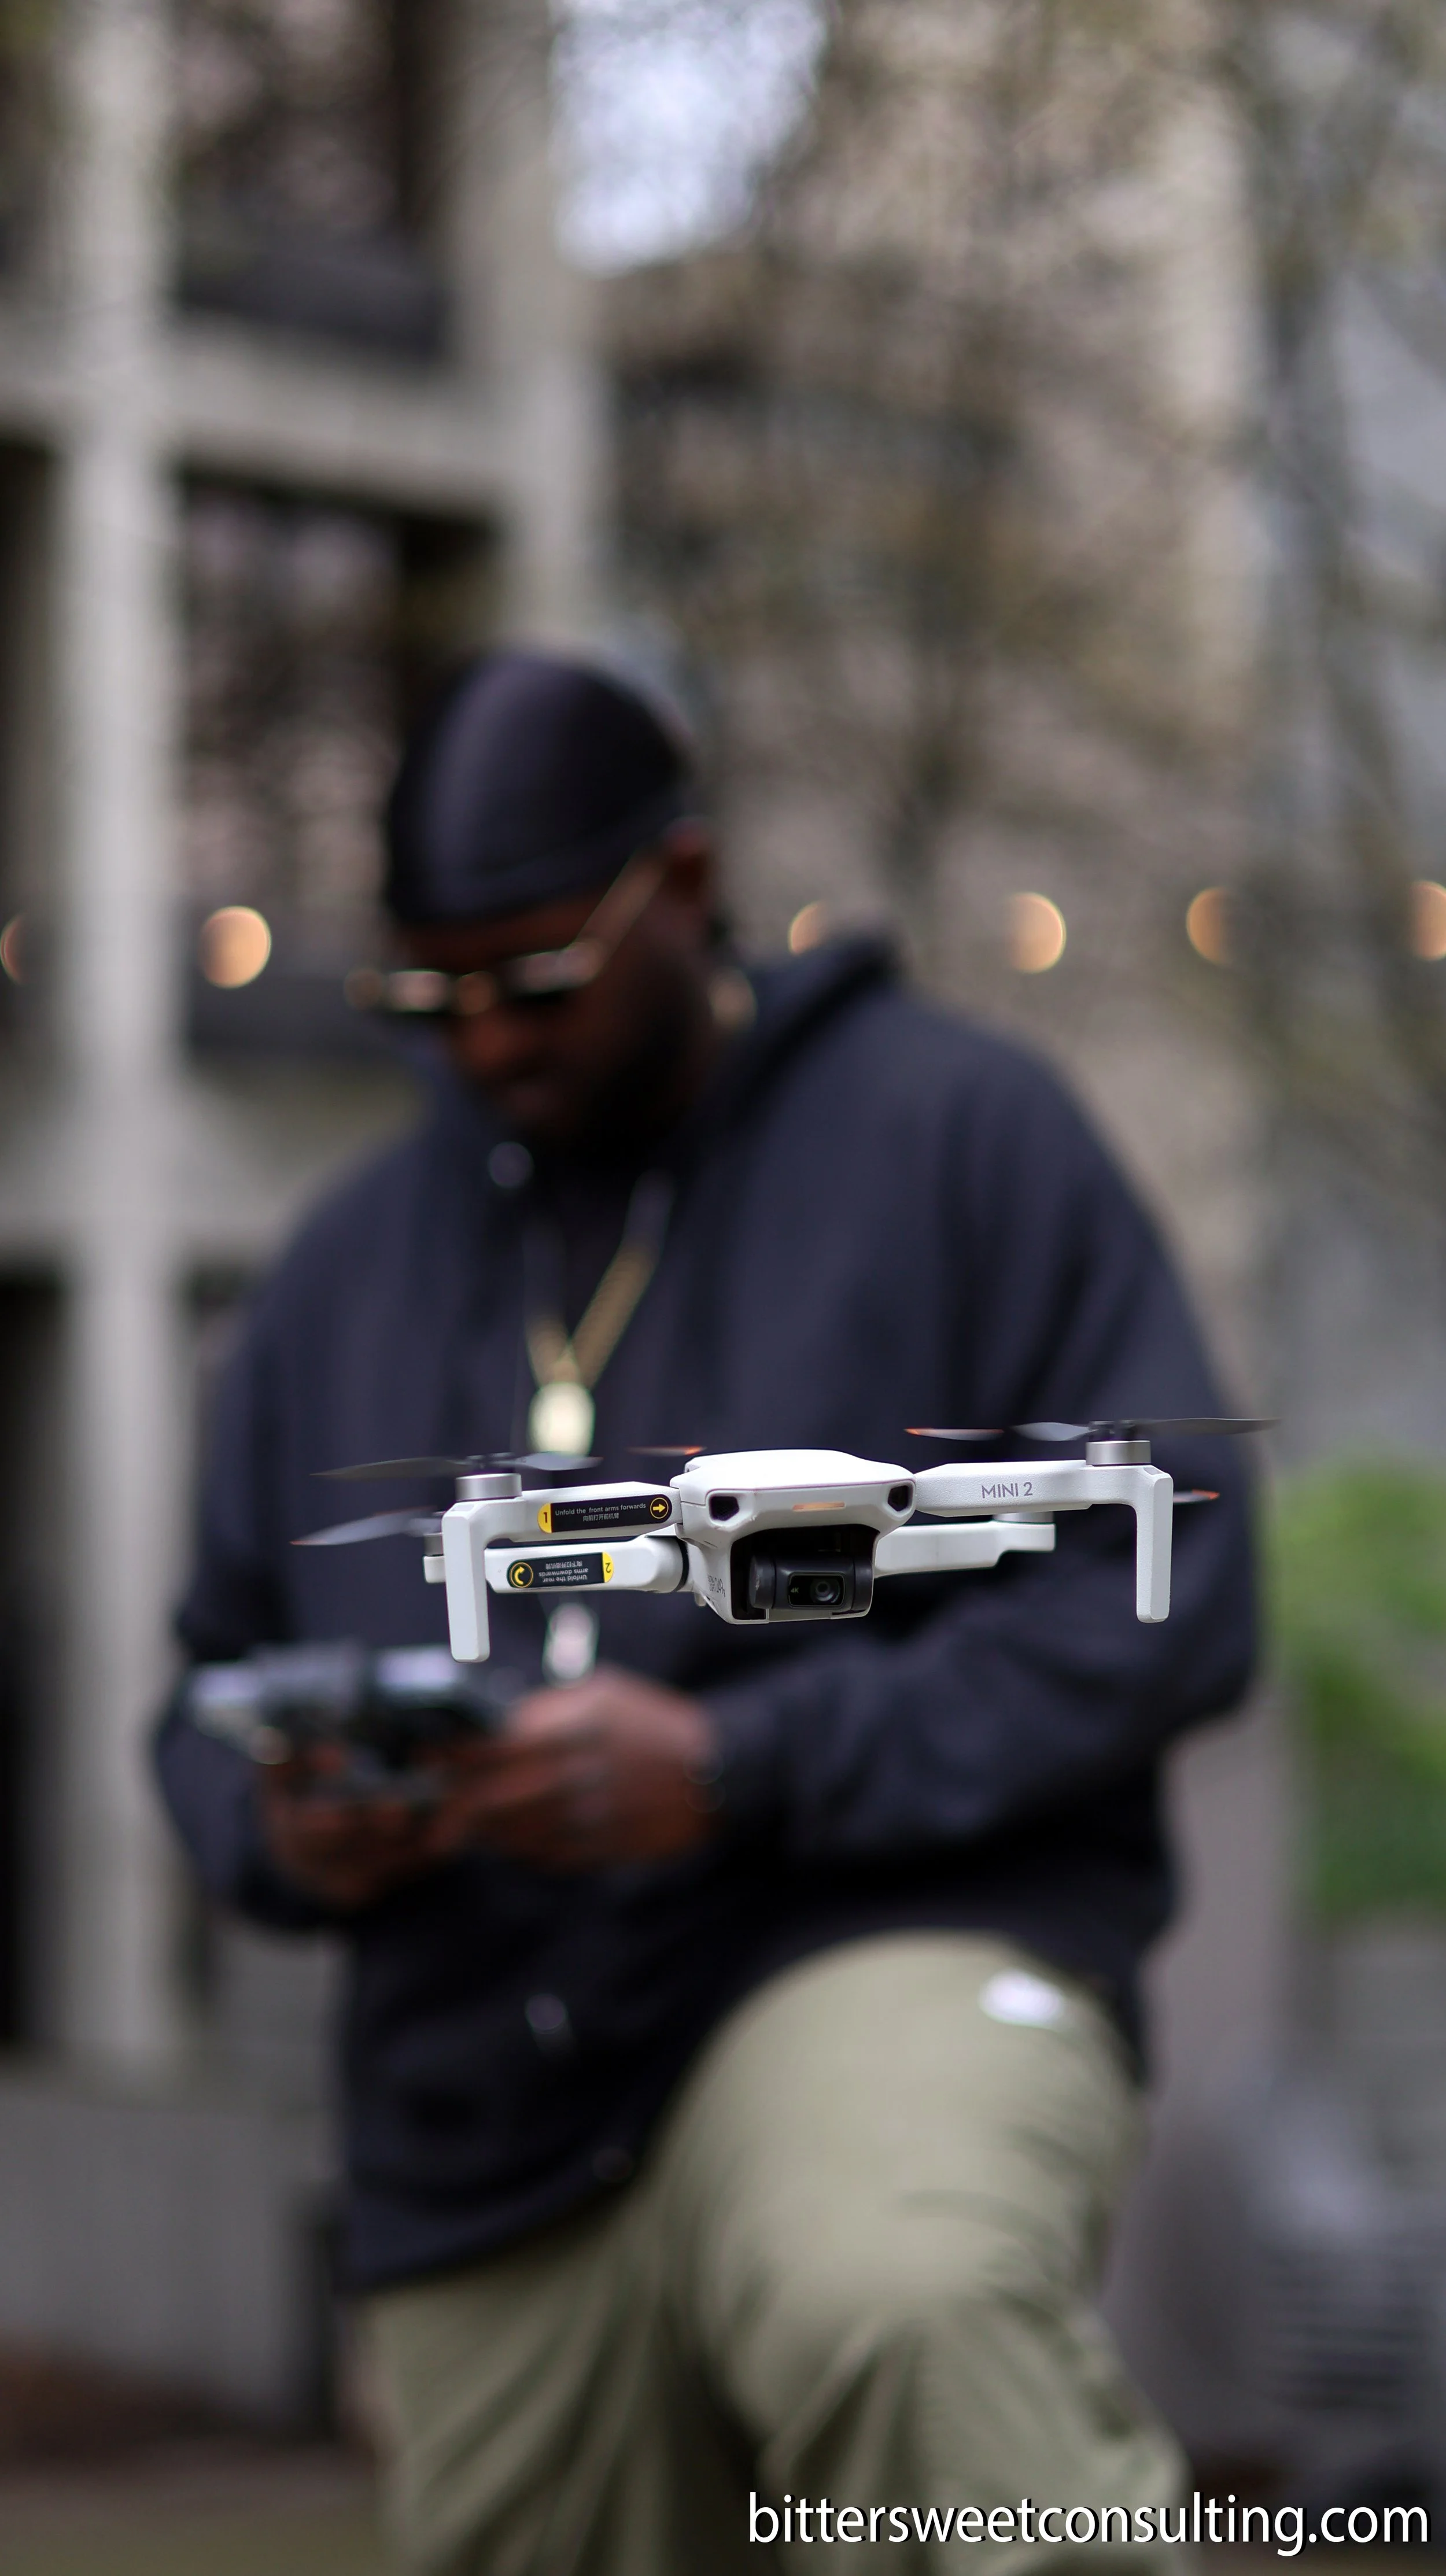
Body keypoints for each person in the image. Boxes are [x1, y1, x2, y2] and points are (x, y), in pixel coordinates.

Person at [156, 648, 1255, 2574]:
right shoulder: (341, 1272)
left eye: (534, 981)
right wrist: (284, 1817)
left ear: (682, 881)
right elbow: (200, 1692)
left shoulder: (953, 1138)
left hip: (867, 1929)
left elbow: (1168, 1569)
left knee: (895, 2300)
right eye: (429, 994)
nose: (482, 1042)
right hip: (489, 2087)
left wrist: (746, 1761)